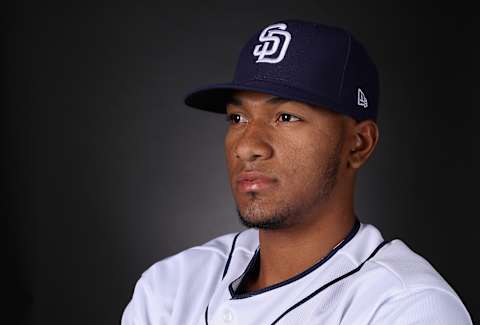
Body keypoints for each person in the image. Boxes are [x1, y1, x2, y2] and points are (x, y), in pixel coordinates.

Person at [121, 19, 472, 324]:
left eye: (286, 117)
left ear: (359, 143)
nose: (247, 145)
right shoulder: (171, 286)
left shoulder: (408, 307)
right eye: (237, 118)